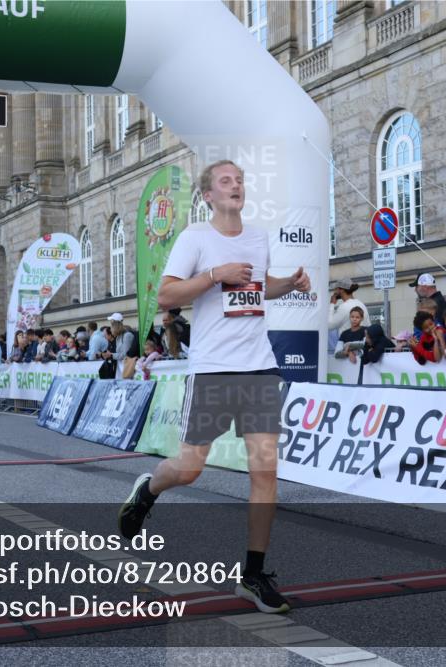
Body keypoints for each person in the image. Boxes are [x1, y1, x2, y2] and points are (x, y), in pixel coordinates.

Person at [117, 159, 311, 614]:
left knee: (265, 472)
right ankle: (147, 491)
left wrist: (290, 283)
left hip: (259, 367)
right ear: (208, 195)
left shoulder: (258, 237)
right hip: (213, 371)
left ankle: (253, 575)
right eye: (226, 181)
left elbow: (258, 291)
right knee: (189, 469)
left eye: (240, 181)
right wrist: (214, 275)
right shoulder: (195, 239)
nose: (236, 186)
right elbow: (165, 296)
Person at [329, 279, 369, 345]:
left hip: (348, 346)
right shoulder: (362, 304)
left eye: (336, 289)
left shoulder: (344, 307)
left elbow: (329, 325)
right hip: (363, 346)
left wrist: (332, 304)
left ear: (341, 290)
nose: (334, 291)